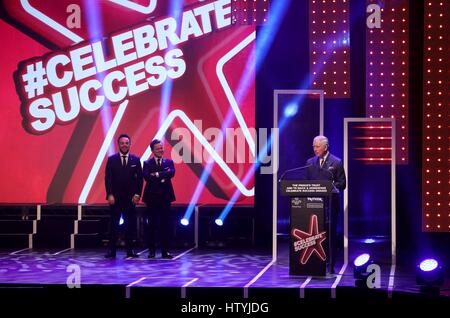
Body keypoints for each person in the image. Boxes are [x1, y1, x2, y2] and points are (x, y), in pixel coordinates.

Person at [305, 135, 346, 274]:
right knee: (315, 234)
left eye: (317, 146)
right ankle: (316, 263)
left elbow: (342, 183)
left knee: (330, 235)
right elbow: (306, 183)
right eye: (313, 146)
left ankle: (331, 264)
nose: (314, 149)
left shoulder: (336, 162)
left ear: (325, 147)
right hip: (314, 205)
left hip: (330, 206)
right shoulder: (310, 162)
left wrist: (331, 186)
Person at [104, 134, 143, 258]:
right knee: (114, 225)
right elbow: (108, 179)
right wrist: (109, 194)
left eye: (127, 143)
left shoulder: (136, 160)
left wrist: (137, 194)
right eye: (122, 143)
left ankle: (130, 250)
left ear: (130, 144)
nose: (124, 145)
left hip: (131, 199)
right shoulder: (112, 159)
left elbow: (140, 180)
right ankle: (112, 251)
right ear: (118, 144)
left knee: (130, 225)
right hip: (115, 198)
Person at [143, 139, 176, 259]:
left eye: (161, 147)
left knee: (165, 225)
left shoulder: (169, 162)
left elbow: (172, 173)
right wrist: (163, 175)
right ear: (152, 150)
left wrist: (156, 174)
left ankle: (165, 251)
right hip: (151, 198)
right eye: (157, 148)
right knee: (151, 225)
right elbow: (147, 177)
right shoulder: (147, 163)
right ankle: (151, 251)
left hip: (165, 198)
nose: (161, 150)